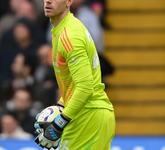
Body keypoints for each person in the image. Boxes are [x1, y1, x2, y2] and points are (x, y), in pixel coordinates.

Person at [34, 0, 115, 149]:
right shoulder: (65, 28)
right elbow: (74, 84)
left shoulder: (69, 36)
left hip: (88, 116)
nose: (48, 1)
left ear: (69, 1)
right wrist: (59, 106)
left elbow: (85, 87)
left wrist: (59, 122)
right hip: (91, 114)